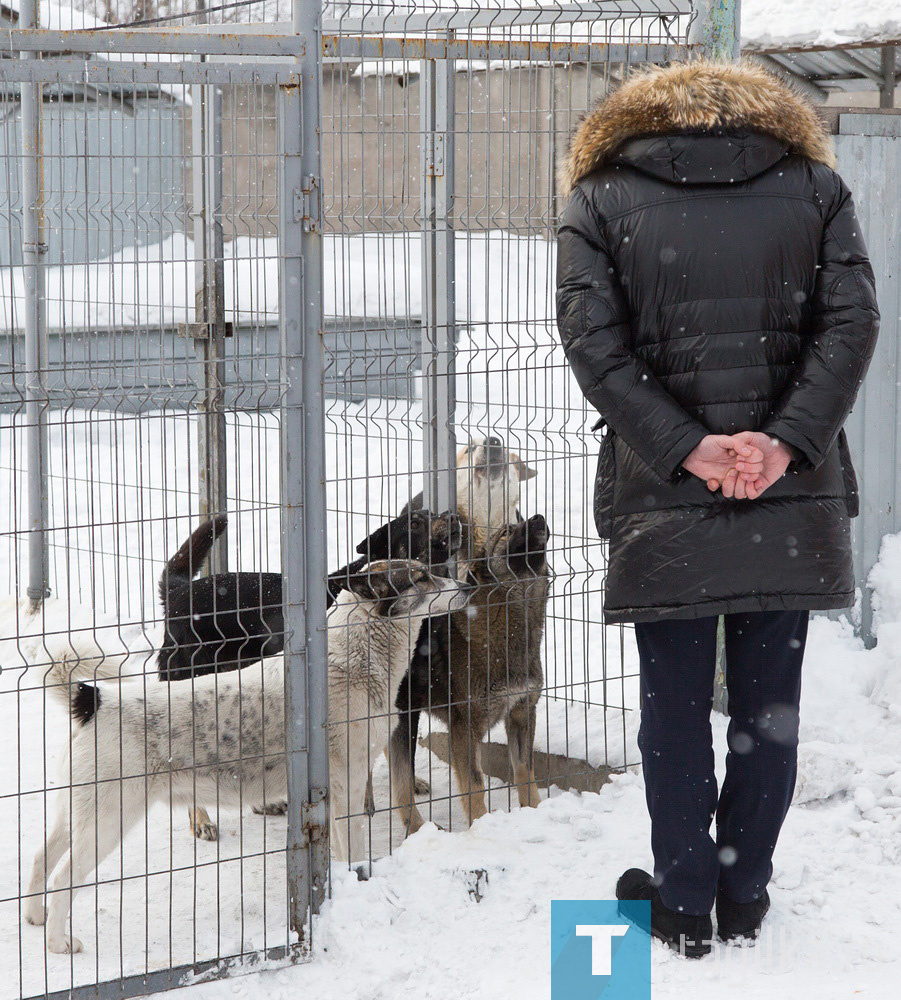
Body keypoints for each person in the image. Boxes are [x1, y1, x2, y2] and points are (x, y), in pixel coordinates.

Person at [556, 60, 879, 958]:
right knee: (768, 706)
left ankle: (682, 899)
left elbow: (593, 344)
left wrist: (689, 448)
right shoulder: (814, 185)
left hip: (665, 496)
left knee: (671, 707)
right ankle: (743, 893)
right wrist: (777, 443)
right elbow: (851, 324)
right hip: (791, 492)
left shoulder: (600, 195)